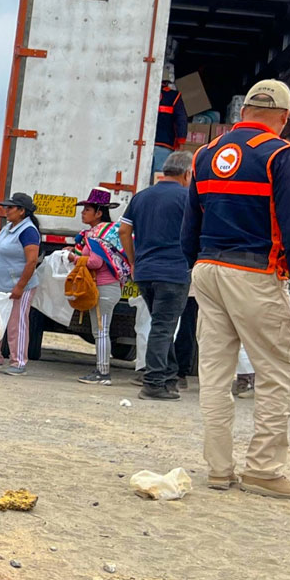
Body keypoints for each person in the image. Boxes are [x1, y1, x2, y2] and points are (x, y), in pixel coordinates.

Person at [182, 79, 290, 501]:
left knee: (216, 375)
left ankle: (219, 470)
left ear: (243, 114)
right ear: (285, 117)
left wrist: (199, 266)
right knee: (277, 372)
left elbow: (191, 225)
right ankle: (263, 469)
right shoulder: (282, 154)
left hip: (206, 267)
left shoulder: (204, 155)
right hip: (255, 273)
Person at [120, 151, 192, 400]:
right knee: (163, 327)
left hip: (145, 271)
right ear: (187, 173)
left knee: (161, 323)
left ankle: (169, 377)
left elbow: (123, 230)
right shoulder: (189, 198)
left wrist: (132, 260)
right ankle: (153, 383)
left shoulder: (142, 197)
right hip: (174, 271)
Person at [0, 192, 41, 376]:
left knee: (16, 323)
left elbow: (31, 261)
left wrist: (20, 286)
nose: (7, 210)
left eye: (10, 207)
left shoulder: (28, 231)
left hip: (20, 285)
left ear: (22, 211)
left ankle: (18, 362)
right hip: (0, 284)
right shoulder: (8, 228)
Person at [72, 187, 129, 386]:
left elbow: (96, 262)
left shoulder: (98, 235)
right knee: (100, 330)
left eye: (87, 209)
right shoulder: (109, 232)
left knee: (101, 330)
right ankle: (101, 369)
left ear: (98, 212)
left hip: (103, 286)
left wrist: (75, 258)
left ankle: (103, 372)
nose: (83, 213)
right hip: (109, 286)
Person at [153, 73, 188, 175]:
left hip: (142, 145)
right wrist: (181, 142)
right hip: (164, 144)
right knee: (159, 177)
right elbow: (181, 120)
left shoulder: (144, 93)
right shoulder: (174, 96)